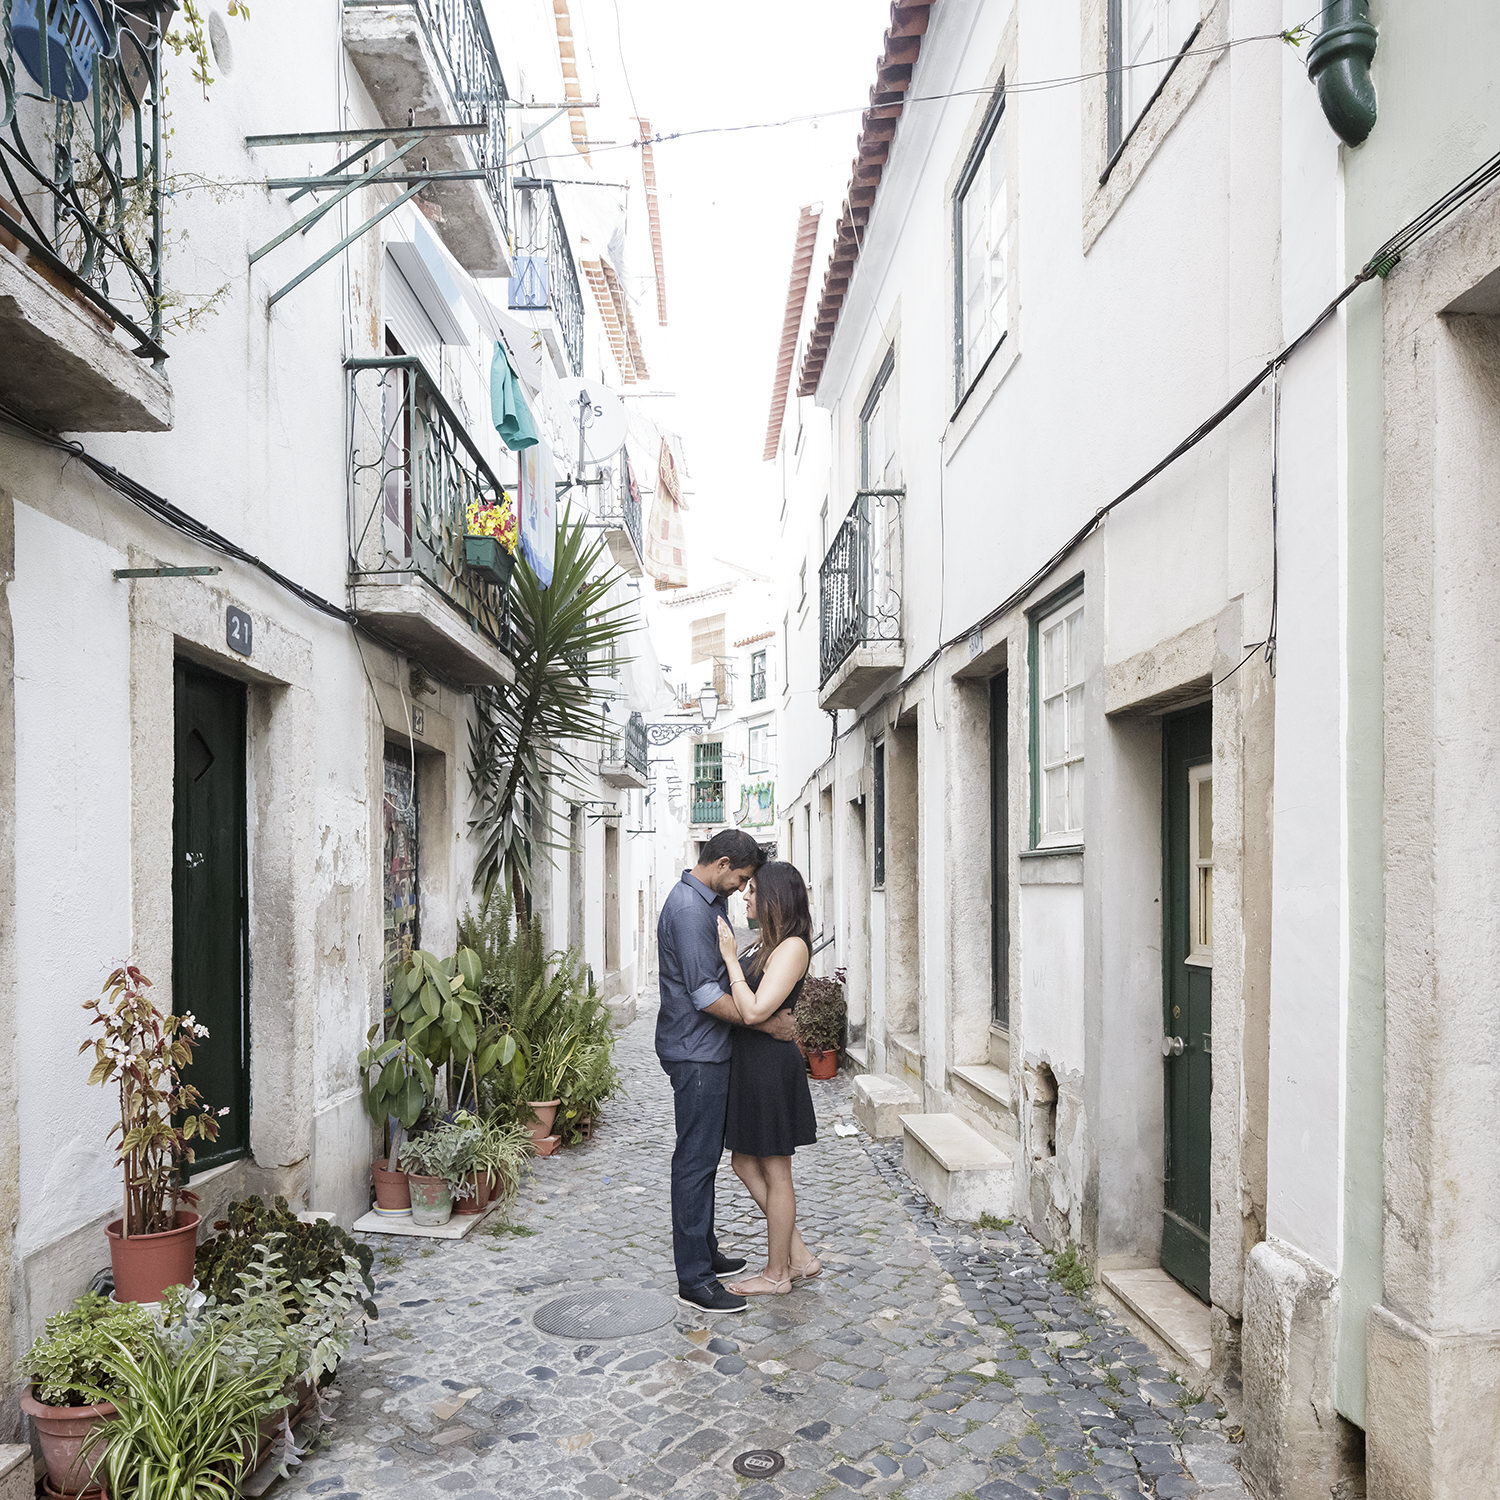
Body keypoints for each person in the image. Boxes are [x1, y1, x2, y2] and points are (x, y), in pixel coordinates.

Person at [655, 830, 797, 1314]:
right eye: (741, 878)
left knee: (706, 1159)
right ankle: (694, 1279)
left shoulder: (708, 901)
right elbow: (705, 995)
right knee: (694, 1163)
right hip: (696, 1052)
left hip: (710, 1050)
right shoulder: (691, 910)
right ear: (720, 864)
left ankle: (706, 1253)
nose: (743, 888)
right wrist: (765, 1024)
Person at [715, 860, 821, 1296]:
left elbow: (756, 1009)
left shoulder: (792, 947)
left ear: (775, 896)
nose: (745, 895)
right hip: (753, 1065)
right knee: (743, 1160)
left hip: (770, 1070)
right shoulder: (767, 943)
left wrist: (729, 960)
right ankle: (798, 1254)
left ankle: (778, 1274)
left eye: (753, 889)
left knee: (777, 1170)